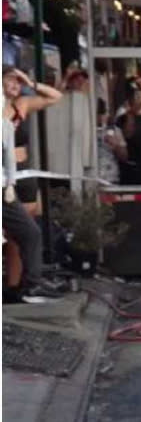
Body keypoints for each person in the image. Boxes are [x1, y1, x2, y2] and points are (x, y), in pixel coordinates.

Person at [2, 66, 62, 303]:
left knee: (22, 233)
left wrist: (30, 82)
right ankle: (22, 284)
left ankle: (18, 285)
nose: (16, 85)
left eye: (19, 82)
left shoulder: (21, 105)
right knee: (19, 233)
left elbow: (55, 97)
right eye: (11, 81)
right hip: (4, 176)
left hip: (19, 174)